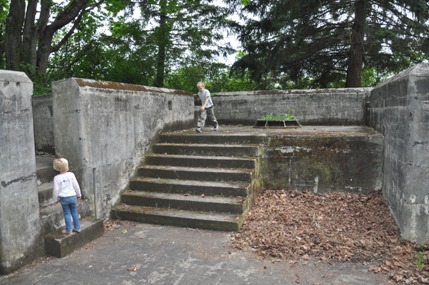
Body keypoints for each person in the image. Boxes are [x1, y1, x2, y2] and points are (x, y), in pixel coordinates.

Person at [53, 158, 82, 235]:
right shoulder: (71, 174)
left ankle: (68, 230)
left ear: (57, 168)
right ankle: (77, 228)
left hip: (64, 198)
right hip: (73, 196)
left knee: (67, 213)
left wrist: (55, 199)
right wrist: (79, 194)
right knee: (74, 211)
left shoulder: (56, 178)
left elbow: (56, 190)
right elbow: (76, 186)